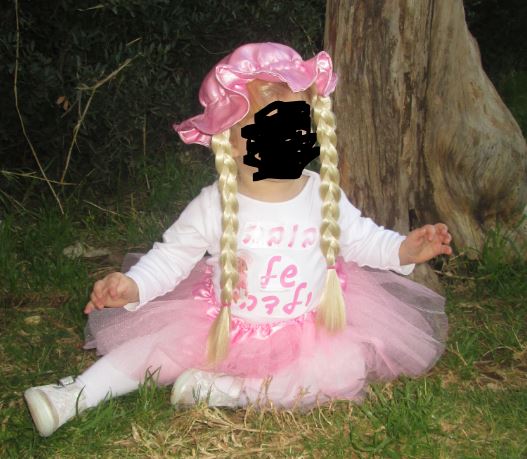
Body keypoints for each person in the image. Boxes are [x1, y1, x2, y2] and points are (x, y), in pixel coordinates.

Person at [24, 42, 452, 437]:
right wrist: (133, 285)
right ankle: (74, 394)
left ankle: (229, 391)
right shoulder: (213, 205)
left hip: (308, 326)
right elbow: (171, 257)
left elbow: (361, 239)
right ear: (229, 141)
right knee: (151, 350)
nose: (294, 140)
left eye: (300, 128)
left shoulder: (322, 193)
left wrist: (403, 249)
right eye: (276, 131)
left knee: (342, 369)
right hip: (221, 324)